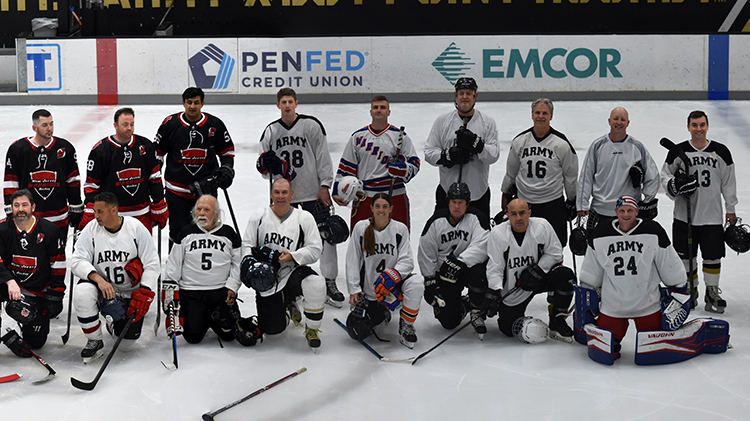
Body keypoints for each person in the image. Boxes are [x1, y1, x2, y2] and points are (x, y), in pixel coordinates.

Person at [256, 88, 343, 309]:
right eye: (283, 102)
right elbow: (264, 169)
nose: (287, 106)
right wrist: (266, 166)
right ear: (278, 105)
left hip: (313, 194)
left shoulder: (311, 126)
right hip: (285, 198)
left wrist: (325, 185)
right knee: (286, 241)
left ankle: (330, 281)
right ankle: (290, 285)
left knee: (325, 237)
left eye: (290, 102)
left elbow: (323, 157)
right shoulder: (271, 131)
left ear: (297, 103)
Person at [579, 195, 686, 358]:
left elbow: (669, 263)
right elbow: (591, 272)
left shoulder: (653, 231)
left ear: (637, 211)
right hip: (613, 307)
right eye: (621, 211)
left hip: (648, 305)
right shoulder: (600, 234)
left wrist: (679, 289)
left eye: (630, 210)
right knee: (606, 353)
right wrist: (586, 296)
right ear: (616, 212)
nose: (626, 214)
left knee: (653, 353)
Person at [660, 111, 738, 313]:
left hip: (712, 216)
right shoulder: (678, 151)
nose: (699, 129)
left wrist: (731, 209)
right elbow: (664, 175)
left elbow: (729, 182)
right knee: (686, 259)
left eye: (702, 125)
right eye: (694, 125)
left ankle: (711, 291)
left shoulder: (721, 152)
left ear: (708, 126)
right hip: (683, 218)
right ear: (688, 127)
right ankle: (689, 290)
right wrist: (674, 185)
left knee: (713, 258)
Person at [70, 192, 160, 362]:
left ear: (114, 210)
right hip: (102, 288)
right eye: (95, 211)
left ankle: (112, 323)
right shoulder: (91, 229)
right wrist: (99, 280)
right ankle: (94, 340)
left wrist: (144, 290)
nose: (96, 216)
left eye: (100, 212)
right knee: (82, 292)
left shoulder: (135, 228)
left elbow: (152, 263)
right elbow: (76, 261)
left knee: (126, 344)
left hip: (129, 293)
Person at [240, 178, 326, 352]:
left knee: (316, 284)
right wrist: (248, 263)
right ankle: (288, 308)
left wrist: (293, 256)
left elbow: (316, 249)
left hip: (294, 272)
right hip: (268, 280)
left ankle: (312, 328)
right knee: (272, 331)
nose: (280, 196)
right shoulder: (259, 216)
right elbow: (247, 245)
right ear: (271, 194)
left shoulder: (304, 218)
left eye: (284, 192)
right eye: (277, 192)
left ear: (291, 195)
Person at [162, 194, 250, 344]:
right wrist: (170, 294)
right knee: (192, 338)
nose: (201, 213)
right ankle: (203, 316)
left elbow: (237, 264)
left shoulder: (228, 234)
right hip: (191, 292)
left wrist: (232, 287)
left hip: (220, 291)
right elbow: (173, 264)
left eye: (207, 210)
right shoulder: (186, 233)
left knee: (228, 334)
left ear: (216, 213)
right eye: (199, 209)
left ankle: (212, 316)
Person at [484, 198, 575, 342]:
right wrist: (494, 291)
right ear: (507, 215)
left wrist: (538, 270)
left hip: (539, 278)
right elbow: (495, 266)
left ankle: (557, 320)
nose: (518, 218)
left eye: (522, 213)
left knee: (565, 276)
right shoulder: (498, 234)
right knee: (508, 329)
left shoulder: (542, 226)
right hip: (515, 288)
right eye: (513, 214)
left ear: (529, 213)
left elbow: (555, 252)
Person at [154, 87, 235, 247]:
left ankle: (201, 269)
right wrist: (155, 177)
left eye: (196, 103)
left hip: (206, 191)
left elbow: (227, 151)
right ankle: (175, 269)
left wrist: (227, 168)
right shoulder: (170, 124)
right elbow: (157, 152)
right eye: (189, 102)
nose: (192, 106)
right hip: (176, 192)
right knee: (178, 232)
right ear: (183, 103)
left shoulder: (215, 125)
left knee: (206, 230)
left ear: (202, 104)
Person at [344, 193, 420, 348]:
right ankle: (383, 312)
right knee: (358, 330)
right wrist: (354, 289)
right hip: (370, 293)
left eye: (385, 206)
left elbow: (407, 261)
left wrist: (390, 276)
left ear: (391, 209)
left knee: (416, 283)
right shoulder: (361, 228)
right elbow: (352, 260)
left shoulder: (400, 229)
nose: (381, 210)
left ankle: (406, 324)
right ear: (371, 208)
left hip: (391, 287)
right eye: (377, 206)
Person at [333, 95, 420, 230]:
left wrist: (402, 170)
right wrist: (337, 188)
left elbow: (415, 164)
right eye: (376, 107)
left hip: (394, 197)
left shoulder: (399, 136)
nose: (379, 110)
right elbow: (347, 166)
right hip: (364, 197)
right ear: (371, 111)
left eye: (383, 107)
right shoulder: (358, 137)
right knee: (361, 243)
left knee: (398, 243)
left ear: (388, 112)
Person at [500, 98, 578, 246]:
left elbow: (571, 176)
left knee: (555, 245)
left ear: (551, 116)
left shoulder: (561, 144)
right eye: (537, 112)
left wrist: (572, 200)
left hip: (552, 204)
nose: (540, 116)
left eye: (544, 113)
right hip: (525, 203)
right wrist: (505, 194)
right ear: (532, 115)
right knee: (525, 245)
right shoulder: (520, 141)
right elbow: (511, 172)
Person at [417, 182, 490, 338]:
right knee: (449, 322)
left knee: (480, 271)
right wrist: (429, 280)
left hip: (467, 270)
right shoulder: (436, 222)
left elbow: (482, 246)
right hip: (445, 275)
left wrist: (459, 262)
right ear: (448, 202)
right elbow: (426, 252)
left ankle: (477, 309)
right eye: (453, 202)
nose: (457, 206)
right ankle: (464, 304)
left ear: (467, 203)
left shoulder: (477, 218)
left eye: (461, 202)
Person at [0, 190, 65, 357]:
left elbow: (58, 263)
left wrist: (56, 294)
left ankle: (19, 331)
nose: (20, 209)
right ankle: (4, 333)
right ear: (11, 208)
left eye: (24, 205)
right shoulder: (2, 229)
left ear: (33, 207)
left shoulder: (49, 230)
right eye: (16, 205)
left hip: (37, 291)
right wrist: (9, 281)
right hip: (10, 287)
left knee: (36, 343)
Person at [80, 107, 167, 231]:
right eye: (125, 124)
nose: (129, 128)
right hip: (112, 216)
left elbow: (154, 178)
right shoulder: (101, 150)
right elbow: (92, 185)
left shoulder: (146, 146)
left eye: (132, 124)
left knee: (142, 249)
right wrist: (91, 210)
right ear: (115, 125)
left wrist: (159, 204)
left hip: (141, 214)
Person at [424, 77, 500, 218]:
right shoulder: (442, 121)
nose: (465, 97)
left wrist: (479, 146)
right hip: (447, 193)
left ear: (475, 96)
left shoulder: (488, 122)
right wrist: (447, 156)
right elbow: (429, 152)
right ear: (455, 95)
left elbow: (494, 155)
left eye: (469, 93)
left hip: (478, 194)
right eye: (461, 93)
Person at [3, 109, 83, 242]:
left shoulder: (65, 148)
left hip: (59, 217)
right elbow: (11, 181)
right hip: (30, 218)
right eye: (44, 125)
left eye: (51, 124)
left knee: (57, 258)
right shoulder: (18, 149)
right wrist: (12, 209)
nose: (49, 128)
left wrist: (75, 206)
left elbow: (72, 180)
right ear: (34, 128)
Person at [577, 107, 660, 232]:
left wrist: (647, 202)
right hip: (600, 210)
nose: (619, 122)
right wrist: (582, 204)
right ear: (609, 121)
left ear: (628, 123)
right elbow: (586, 176)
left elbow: (652, 176)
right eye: (616, 119)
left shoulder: (637, 147)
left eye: (622, 119)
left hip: (628, 213)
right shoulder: (597, 146)